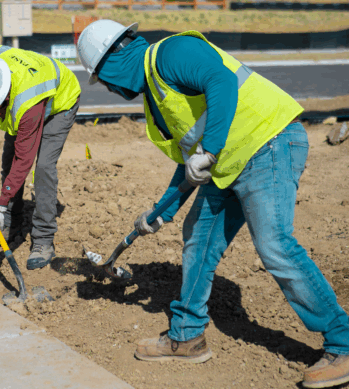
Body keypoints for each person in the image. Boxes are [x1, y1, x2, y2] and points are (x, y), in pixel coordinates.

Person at [77, 20, 349, 388]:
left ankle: (343, 343)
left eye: (103, 79)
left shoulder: (171, 53)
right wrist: (162, 211)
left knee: (274, 245)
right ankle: (187, 335)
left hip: (268, 142)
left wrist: (210, 150)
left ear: (115, 59)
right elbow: (189, 160)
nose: (108, 88)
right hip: (228, 162)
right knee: (199, 235)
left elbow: (220, 82)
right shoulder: (156, 100)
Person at [0, 45, 81, 270]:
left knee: (43, 169)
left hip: (60, 102)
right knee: (7, 162)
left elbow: (24, 160)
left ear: (3, 97)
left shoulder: (25, 102)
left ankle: (43, 240)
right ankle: (10, 225)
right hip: (26, 94)